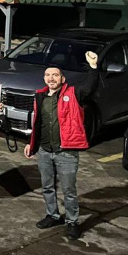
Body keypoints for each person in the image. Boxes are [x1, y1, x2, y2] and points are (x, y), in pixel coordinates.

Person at [24, 51, 99, 241]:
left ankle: (72, 222)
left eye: (55, 75)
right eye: (48, 75)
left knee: (69, 191)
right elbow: (38, 123)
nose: (51, 78)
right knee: (47, 186)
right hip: (45, 151)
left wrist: (93, 67)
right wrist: (31, 143)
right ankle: (53, 215)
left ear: (62, 78)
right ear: (44, 78)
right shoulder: (40, 96)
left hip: (66, 152)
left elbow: (90, 88)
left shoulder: (74, 94)